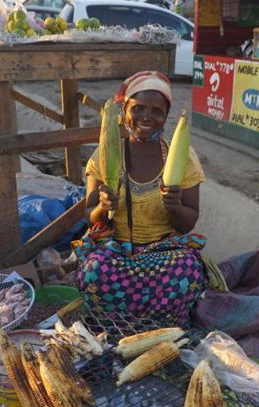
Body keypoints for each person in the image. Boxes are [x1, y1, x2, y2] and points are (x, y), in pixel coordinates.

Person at [75, 71, 207, 325]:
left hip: (163, 251)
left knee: (188, 270)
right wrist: (103, 207)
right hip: (117, 250)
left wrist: (175, 207)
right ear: (125, 110)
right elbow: (90, 217)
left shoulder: (182, 156)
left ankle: (162, 327)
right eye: (138, 108)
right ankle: (116, 327)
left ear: (166, 116)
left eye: (156, 111)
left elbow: (188, 223)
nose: (146, 117)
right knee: (94, 271)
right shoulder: (105, 155)